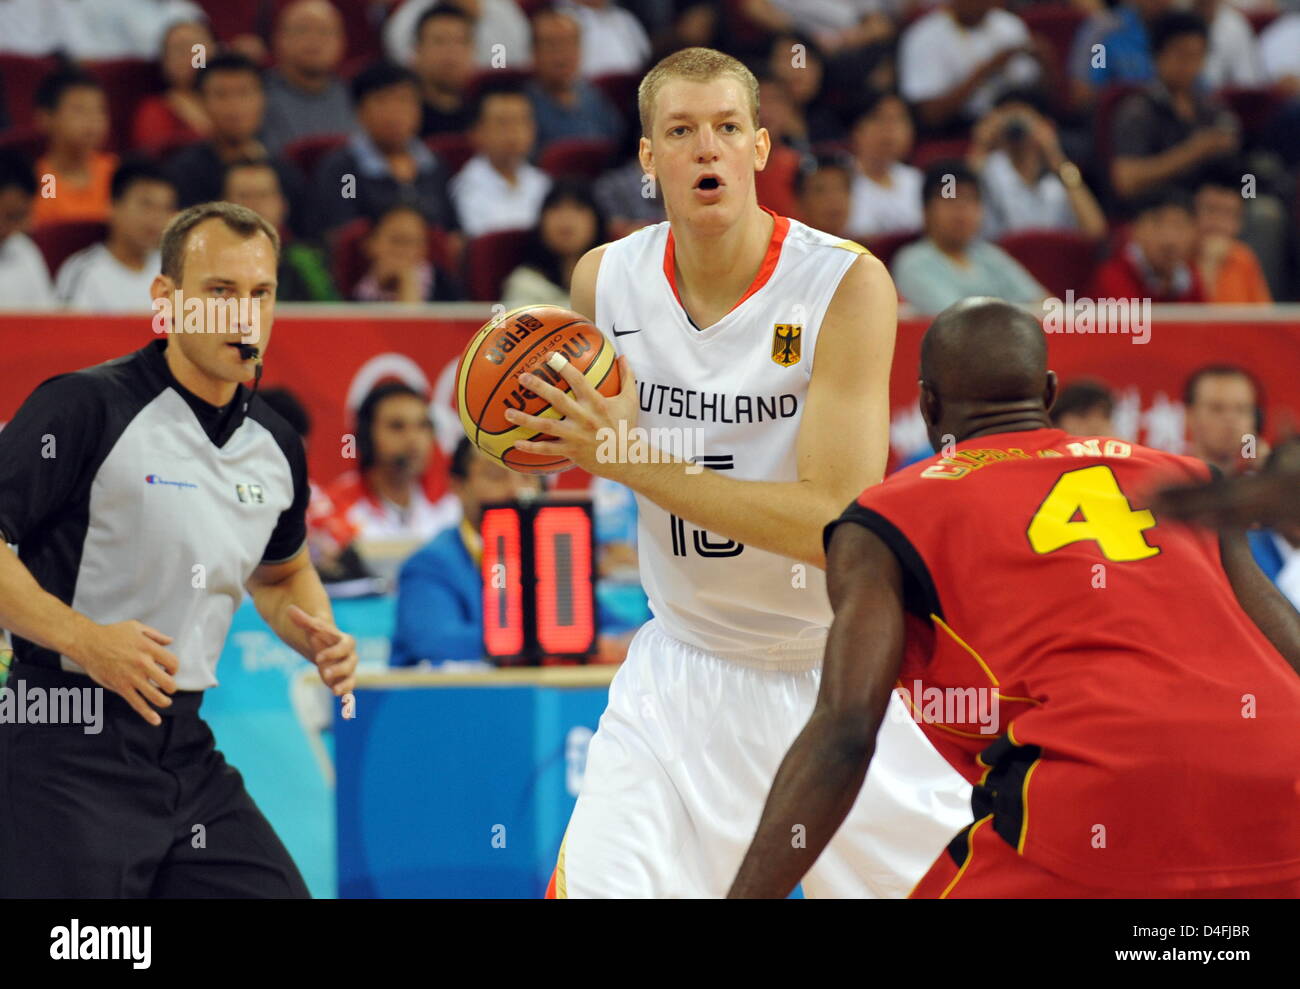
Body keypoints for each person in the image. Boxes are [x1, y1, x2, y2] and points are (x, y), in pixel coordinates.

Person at [508, 46, 970, 899]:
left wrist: (632, 462)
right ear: (649, 159)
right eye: (680, 131)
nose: (706, 148)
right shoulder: (602, 280)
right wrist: (508, 432)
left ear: (762, 147)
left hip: (832, 676)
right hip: (677, 673)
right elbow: (547, 442)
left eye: (727, 127)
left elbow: (836, 520)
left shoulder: (845, 284)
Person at [729, 297, 1300, 898]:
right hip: (1281, 780)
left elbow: (845, 730)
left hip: (1096, 794)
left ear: (927, 403)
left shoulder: (886, 515)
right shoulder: (1187, 475)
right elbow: (1287, 644)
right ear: (1049, 393)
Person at [0, 201, 359, 897]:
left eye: (260, 294)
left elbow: (282, 575)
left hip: (185, 751)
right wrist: (87, 640)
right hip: (63, 742)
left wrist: (319, 635)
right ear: (166, 300)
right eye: (220, 292)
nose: (242, 315)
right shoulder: (81, 407)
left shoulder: (276, 443)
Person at [390, 437, 541, 666]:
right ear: (458, 485)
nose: (515, 491)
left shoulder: (550, 558)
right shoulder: (430, 564)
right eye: (496, 476)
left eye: (527, 477)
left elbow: (603, 627)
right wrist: (544, 640)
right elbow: (436, 640)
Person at [314, 60, 461, 239]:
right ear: (360, 111)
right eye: (382, 100)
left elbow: (451, 231)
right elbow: (344, 235)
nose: (395, 112)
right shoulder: (345, 170)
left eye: (404, 100)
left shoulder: (434, 164)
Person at [166, 54, 309, 235]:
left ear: (263, 100)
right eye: (221, 95)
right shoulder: (183, 174)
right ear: (201, 103)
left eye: (244, 93)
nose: (234, 106)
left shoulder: (285, 173)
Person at [891, 161, 1048, 315]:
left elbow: (1042, 304)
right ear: (926, 210)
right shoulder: (913, 263)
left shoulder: (990, 255)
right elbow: (958, 322)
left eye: (970, 199)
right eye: (950, 199)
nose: (962, 209)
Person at [326, 382, 461, 545]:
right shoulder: (337, 507)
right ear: (366, 436)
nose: (414, 439)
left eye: (422, 426)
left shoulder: (451, 502)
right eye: (397, 426)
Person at [966, 93, 1106, 241]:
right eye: (1008, 119)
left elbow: (1096, 231)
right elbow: (957, 207)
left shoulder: (1058, 180)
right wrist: (980, 146)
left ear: (1046, 126)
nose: (1016, 126)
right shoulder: (986, 170)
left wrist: (1056, 157)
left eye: (1023, 118)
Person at [898, 0, 1045, 133]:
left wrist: (1047, 61)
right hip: (960, 129)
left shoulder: (1010, 25)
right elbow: (929, 116)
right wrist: (986, 70)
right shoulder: (924, 36)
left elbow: (1042, 94)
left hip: (1018, 120)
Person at [55, 159, 178, 312]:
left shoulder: (174, 272)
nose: (157, 217)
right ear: (112, 206)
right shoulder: (84, 272)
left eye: (165, 208)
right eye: (146, 205)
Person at [223, 159, 340, 302]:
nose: (253, 204)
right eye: (243, 196)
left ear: (282, 205)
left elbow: (331, 315)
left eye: (263, 195)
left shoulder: (305, 261)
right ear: (224, 206)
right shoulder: (206, 261)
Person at [449, 78, 552, 237]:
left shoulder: (544, 184)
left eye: (521, 121)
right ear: (476, 132)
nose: (514, 132)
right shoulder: (464, 189)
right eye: (502, 123)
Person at [261, 0, 356, 156]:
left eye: (324, 31)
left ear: (342, 42)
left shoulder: (354, 97)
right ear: (279, 39)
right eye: (303, 30)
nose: (314, 39)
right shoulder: (258, 95)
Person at [526, 5, 624, 153]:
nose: (562, 55)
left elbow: (619, 148)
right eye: (551, 45)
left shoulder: (595, 97)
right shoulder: (524, 106)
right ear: (533, 52)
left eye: (570, 43)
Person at [31, 67, 117, 227]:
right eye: (79, 110)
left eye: (100, 110)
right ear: (45, 118)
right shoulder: (43, 181)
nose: (93, 120)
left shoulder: (116, 171)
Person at [502, 179, 606, 307]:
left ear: (597, 221)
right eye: (556, 208)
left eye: (578, 208)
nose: (566, 218)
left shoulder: (612, 280)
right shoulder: (525, 283)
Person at [1089, 188, 1205, 302]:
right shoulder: (1112, 277)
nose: (1170, 240)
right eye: (1158, 224)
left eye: (1179, 226)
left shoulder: (1192, 277)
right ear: (1135, 229)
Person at [130, 19, 215, 155]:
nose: (192, 57)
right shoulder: (155, 110)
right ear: (165, 61)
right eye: (180, 49)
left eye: (198, 49)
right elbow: (153, 153)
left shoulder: (234, 101)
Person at [846, 91, 923, 240]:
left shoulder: (916, 180)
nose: (890, 129)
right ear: (856, 129)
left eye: (899, 120)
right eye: (878, 118)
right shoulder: (839, 178)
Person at [1193, 168, 1271, 304]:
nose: (1218, 223)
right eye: (1211, 210)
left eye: (1229, 213)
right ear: (1193, 212)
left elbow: (1265, 319)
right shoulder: (1175, 257)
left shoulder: (1244, 257)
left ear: (1240, 223)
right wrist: (1210, 266)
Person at [353, 203, 461, 301]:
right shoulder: (355, 282)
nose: (403, 250)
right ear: (371, 244)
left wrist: (407, 281)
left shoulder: (443, 284)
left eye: (412, 242)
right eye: (397, 240)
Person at [1183, 364, 1263, 477]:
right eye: (1217, 409)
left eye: (1241, 409)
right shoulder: (1168, 483)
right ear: (1189, 415)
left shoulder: (1268, 484)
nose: (1231, 420)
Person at [0, 151, 57, 309]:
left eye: (26, 215)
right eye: (12, 216)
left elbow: (46, 322)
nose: (28, 226)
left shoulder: (25, 251)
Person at [412, 4, 477, 137]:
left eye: (460, 42)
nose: (451, 52)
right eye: (439, 42)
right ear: (417, 51)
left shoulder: (483, 113)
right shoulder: (407, 116)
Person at [795, 154, 853, 239]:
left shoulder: (864, 249)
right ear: (800, 201)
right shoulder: (787, 249)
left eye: (840, 188)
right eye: (820, 190)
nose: (833, 198)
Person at [1049, 378, 1115, 436]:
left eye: (1104, 417)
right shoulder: (1045, 447)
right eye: (1084, 415)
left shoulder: (1116, 446)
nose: (1095, 425)